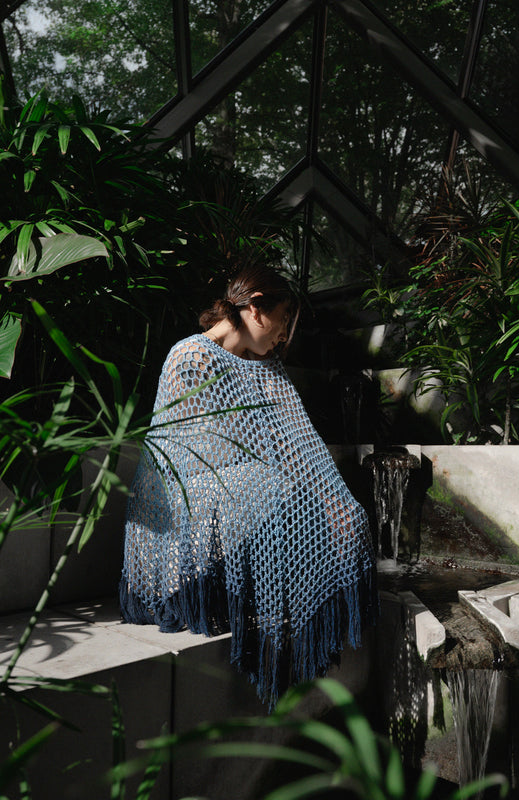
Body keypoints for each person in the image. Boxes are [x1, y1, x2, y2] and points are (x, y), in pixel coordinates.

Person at [120, 264, 377, 708]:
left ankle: (299, 614)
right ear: (255, 307)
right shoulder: (191, 355)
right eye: (283, 321)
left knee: (338, 507)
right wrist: (273, 463)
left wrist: (335, 503)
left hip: (241, 490)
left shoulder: (268, 369)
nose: (284, 337)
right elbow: (195, 454)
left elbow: (294, 443)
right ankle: (266, 616)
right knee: (271, 487)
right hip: (189, 499)